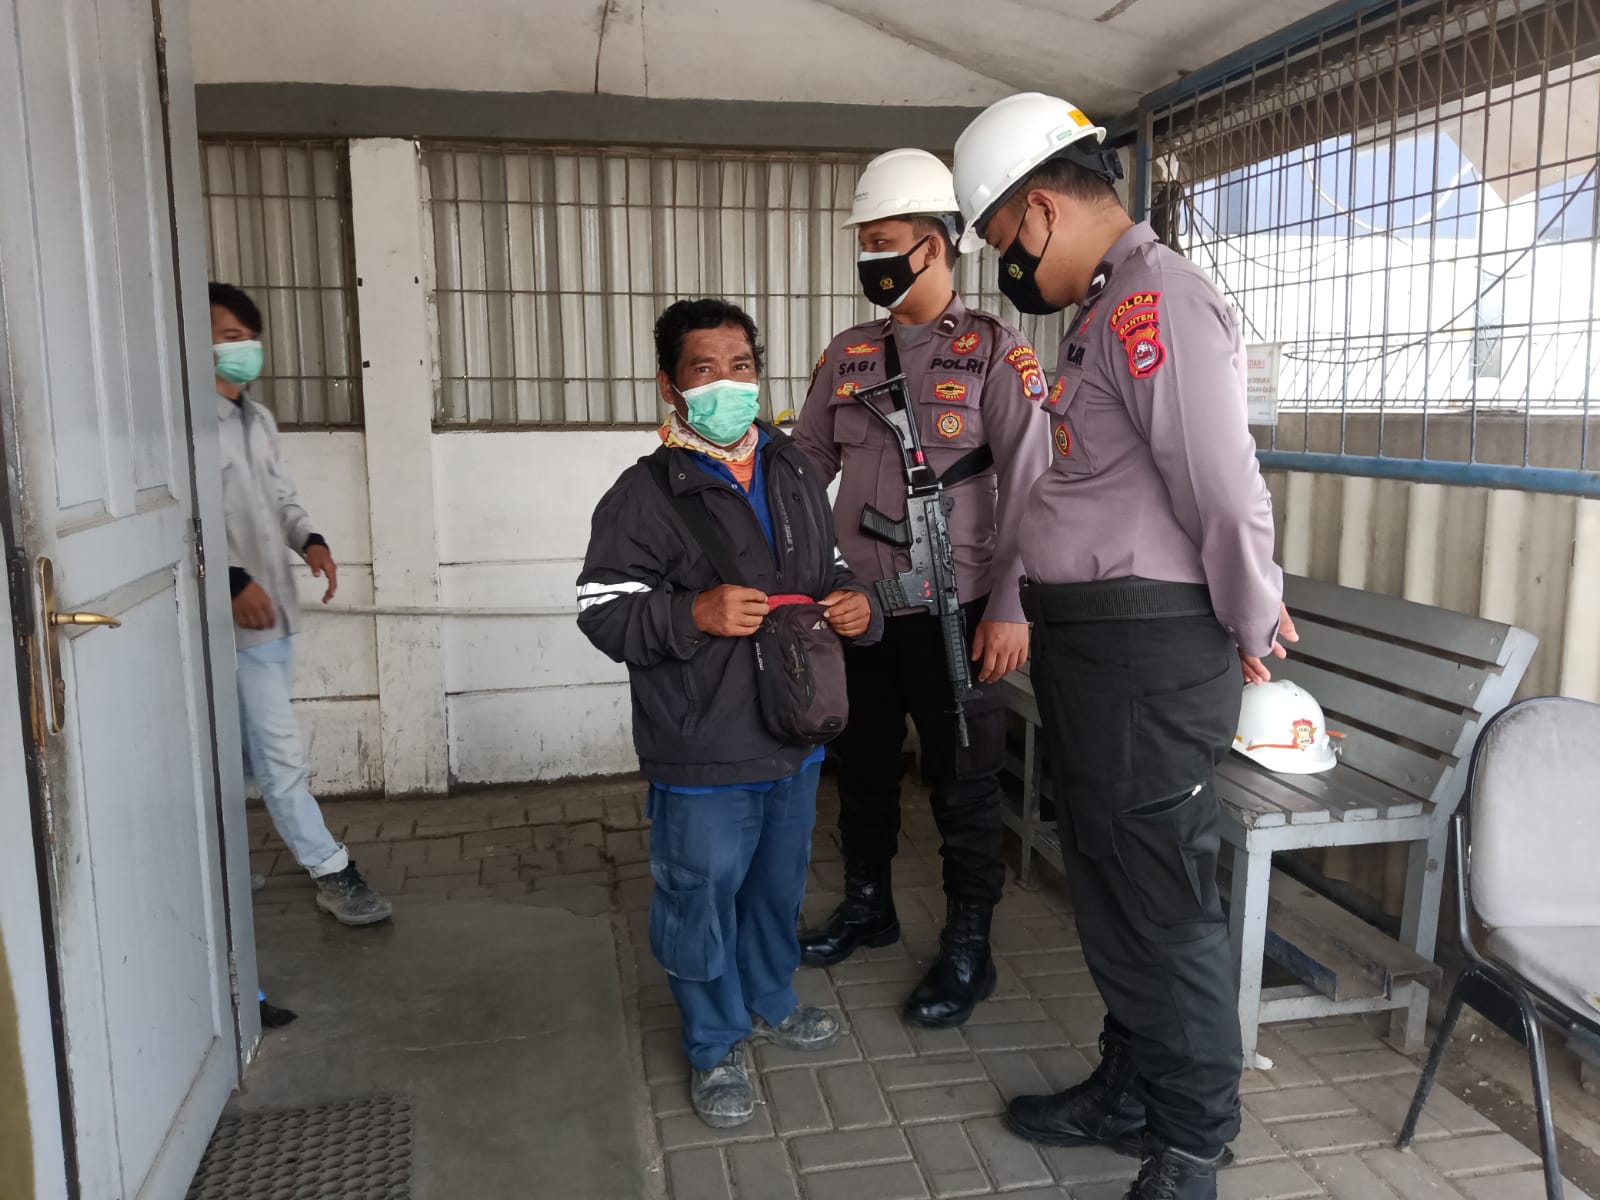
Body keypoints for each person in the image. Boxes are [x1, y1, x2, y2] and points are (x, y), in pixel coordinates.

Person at [950, 94, 1295, 1200]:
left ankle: (1191, 1144)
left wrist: (1252, 616)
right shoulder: (1107, 307)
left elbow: (1220, 484)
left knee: (1159, 899)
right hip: (1102, 650)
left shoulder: (1158, 302)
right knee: (1110, 883)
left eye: (1001, 240)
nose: (1005, 265)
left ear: (1042, 212)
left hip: (1147, 653)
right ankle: (1133, 1087)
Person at [576, 298, 883, 1129]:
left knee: (777, 885)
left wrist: (856, 603)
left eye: (740, 367)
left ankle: (771, 997)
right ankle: (713, 1042)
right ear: (670, 386)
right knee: (699, 895)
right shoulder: (644, 494)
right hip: (702, 742)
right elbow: (602, 610)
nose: (726, 384)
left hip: (793, 730)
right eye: (704, 369)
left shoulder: (792, 470)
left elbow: (830, 567)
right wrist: (692, 614)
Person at [792, 149, 1051, 1028]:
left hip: (957, 612)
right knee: (860, 768)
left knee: (965, 785)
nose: (871, 258)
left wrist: (1012, 606)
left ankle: (969, 946)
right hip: (856, 610)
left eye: (885, 241)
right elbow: (806, 465)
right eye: (865, 242)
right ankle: (869, 905)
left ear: (934, 246)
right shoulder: (848, 354)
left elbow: (1033, 488)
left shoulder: (995, 353)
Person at [211, 282, 392, 927]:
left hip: (275, 614)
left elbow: (281, 498)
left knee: (238, 753)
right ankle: (331, 870)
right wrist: (231, 581)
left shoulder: (256, 419)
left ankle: (219, 867)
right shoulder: (182, 424)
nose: (241, 348)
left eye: (246, 336)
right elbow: (184, 521)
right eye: (226, 336)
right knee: (279, 754)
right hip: (230, 620)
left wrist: (310, 540)